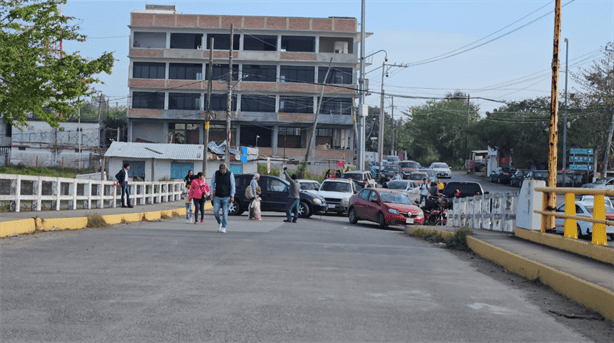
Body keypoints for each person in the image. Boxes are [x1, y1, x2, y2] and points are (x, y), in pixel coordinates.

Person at [211, 163, 235, 233]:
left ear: (226, 169)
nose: (222, 171)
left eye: (223, 170)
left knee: (225, 213)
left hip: (226, 197)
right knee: (215, 211)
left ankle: (224, 227)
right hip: (217, 196)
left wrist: (232, 195)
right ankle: (219, 222)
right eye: (221, 170)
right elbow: (212, 183)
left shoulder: (230, 174)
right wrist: (211, 193)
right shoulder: (216, 173)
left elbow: (233, 185)